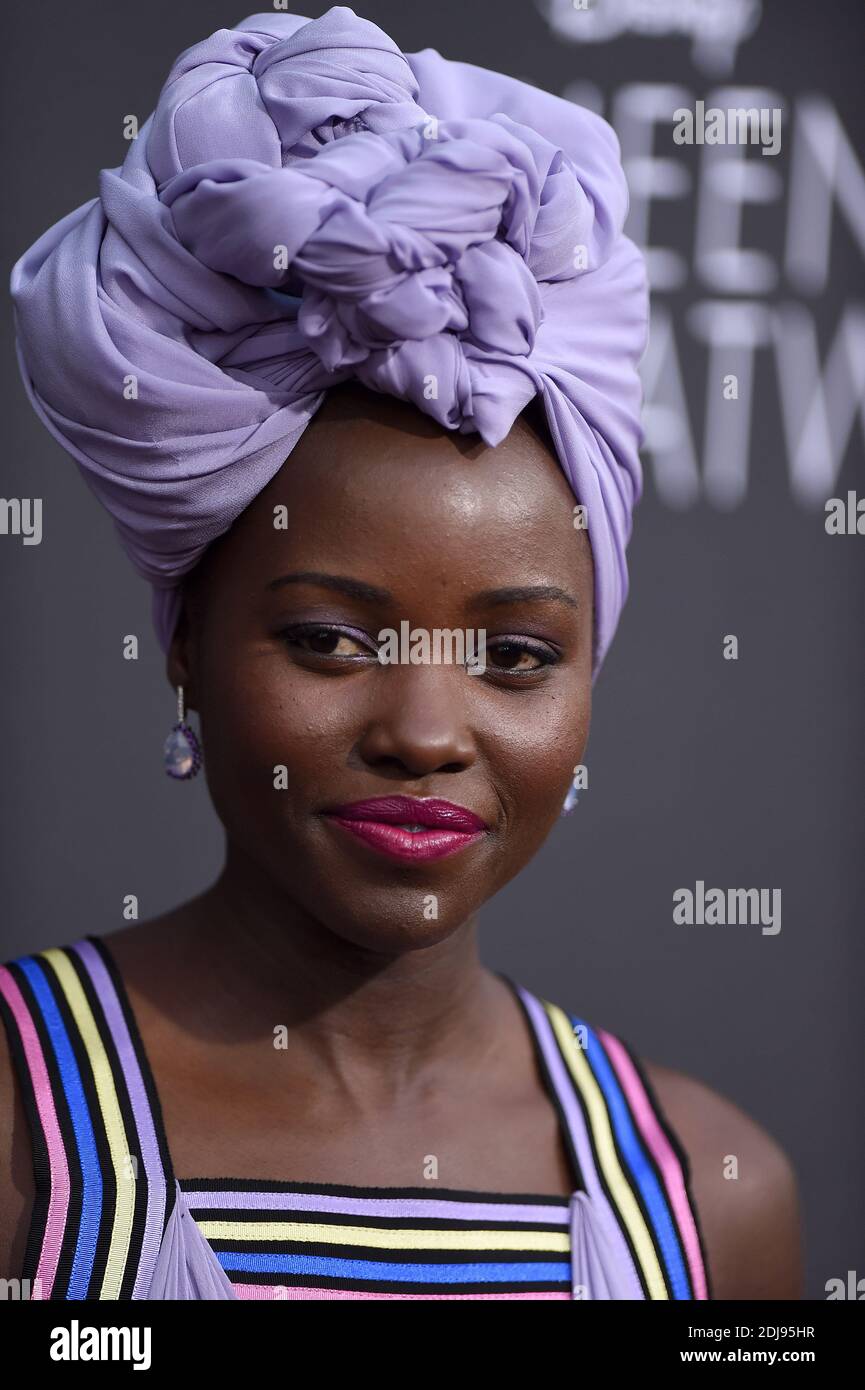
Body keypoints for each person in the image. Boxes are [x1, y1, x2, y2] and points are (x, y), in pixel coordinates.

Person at [0, 8, 800, 1299]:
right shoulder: (24, 1148)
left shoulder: (713, 1205)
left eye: (516, 655)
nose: (425, 731)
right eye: (327, 638)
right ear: (187, 644)